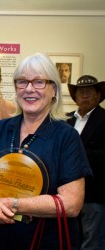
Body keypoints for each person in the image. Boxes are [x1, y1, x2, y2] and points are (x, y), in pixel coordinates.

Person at [0, 53, 92, 249]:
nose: (29, 89)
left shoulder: (66, 137)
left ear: (54, 90)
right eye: (22, 82)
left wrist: (11, 204)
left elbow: (71, 204)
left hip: (45, 240)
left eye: (39, 82)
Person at [66, 75, 105, 249]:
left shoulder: (103, 119)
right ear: (75, 96)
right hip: (68, 192)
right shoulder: (67, 121)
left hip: (94, 192)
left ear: (98, 95)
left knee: (92, 240)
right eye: (81, 91)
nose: (85, 95)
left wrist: (77, 153)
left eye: (89, 91)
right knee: (72, 237)